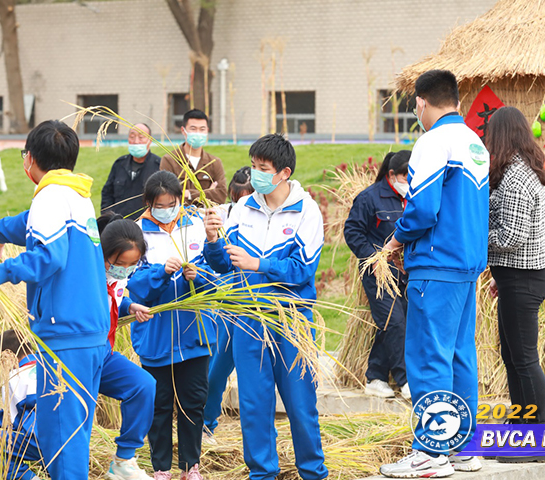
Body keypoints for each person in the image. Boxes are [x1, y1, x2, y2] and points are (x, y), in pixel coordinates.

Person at [0, 120, 109, 480]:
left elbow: (50, 256)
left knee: (60, 441)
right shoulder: (75, 194)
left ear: (29, 159)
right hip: (88, 335)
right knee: (69, 436)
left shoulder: (49, 197)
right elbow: (31, 223)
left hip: (64, 336)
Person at [379, 70, 488, 478]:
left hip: (436, 264)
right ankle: (461, 449)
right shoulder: (475, 143)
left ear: (422, 102)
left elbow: (423, 208)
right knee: (460, 356)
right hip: (466, 266)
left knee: (429, 356)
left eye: (415, 106)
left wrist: (395, 240)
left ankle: (430, 450)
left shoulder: (432, 141)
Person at [203, 134, 328, 480]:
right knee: (254, 406)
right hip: (247, 319)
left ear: (284, 172)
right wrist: (213, 240)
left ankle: (313, 472)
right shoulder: (242, 210)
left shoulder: (307, 211)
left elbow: (303, 270)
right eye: (254, 166)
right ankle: (261, 473)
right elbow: (223, 265)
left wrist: (258, 264)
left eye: (263, 169)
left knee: (301, 403)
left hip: (290, 321)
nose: (255, 175)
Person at [128, 170, 216, 480]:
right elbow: (134, 285)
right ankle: (161, 468)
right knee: (159, 404)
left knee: (194, 403)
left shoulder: (195, 226)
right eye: (159, 204)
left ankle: (191, 466)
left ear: (180, 200)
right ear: (148, 204)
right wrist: (161, 273)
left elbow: (217, 276)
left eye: (172, 203)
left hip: (195, 332)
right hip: (155, 336)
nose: (167, 209)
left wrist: (199, 276)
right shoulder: (137, 233)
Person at [485, 106, 545, 464]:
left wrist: (473, 239)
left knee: (524, 360)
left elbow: (511, 236)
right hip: (518, 276)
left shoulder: (516, 176)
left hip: (523, 279)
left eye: (490, 133)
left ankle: (537, 444)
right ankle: (523, 430)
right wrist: (501, 274)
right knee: (514, 358)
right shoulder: (523, 169)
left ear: (502, 135)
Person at [344, 151, 411, 400]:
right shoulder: (369, 198)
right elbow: (352, 231)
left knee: (395, 323)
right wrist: (373, 259)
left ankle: (375, 377)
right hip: (378, 275)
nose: (409, 180)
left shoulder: (414, 197)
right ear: (392, 175)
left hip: (405, 273)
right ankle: (406, 381)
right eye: (405, 175)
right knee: (394, 322)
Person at [97, 212, 157, 480]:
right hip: (79, 357)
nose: (126, 270)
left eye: (132, 265)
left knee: (143, 385)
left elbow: (115, 297)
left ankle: (124, 459)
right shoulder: (87, 278)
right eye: (121, 263)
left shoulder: (118, 277)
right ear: (104, 253)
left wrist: (129, 306)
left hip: (104, 355)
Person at [202, 166, 255, 445]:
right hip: (227, 305)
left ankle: (255, 433)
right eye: (237, 197)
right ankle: (206, 424)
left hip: (258, 305)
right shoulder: (221, 215)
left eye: (247, 195)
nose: (241, 201)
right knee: (217, 370)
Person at [0, 329, 42, 480]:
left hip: (39, 441)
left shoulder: (14, 378)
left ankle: (26, 477)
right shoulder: (51, 366)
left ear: (8, 357)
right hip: (70, 437)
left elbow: (13, 423)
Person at [159, 109, 227, 205]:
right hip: (180, 217)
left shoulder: (214, 162)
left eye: (202, 129)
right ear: (183, 131)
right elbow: (168, 195)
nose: (198, 133)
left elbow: (221, 196)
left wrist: (189, 194)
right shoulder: (170, 160)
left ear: (207, 131)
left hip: (207, 217)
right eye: (193, 129)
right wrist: (207, 193)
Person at [102, 123, 162, 219]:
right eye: (132, 137)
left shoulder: (159, 165)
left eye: (141, 137)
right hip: (119, 225)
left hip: (147, 225)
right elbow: (107, 194)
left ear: (150, 140)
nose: (136, 141)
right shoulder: (119, 164)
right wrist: (108, 217)